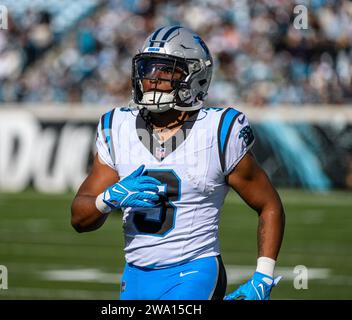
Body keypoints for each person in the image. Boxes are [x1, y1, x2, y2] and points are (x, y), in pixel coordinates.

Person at [71, 26, 285, 300]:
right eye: (148, 68)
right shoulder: (117, 126)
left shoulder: (217, 130)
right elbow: (79, 218)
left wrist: (263, 276)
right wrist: (109, 198)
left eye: (167, 70)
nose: (154, 78)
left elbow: (269, 204)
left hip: (194, 271)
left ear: (195, 77)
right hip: (134, 276)